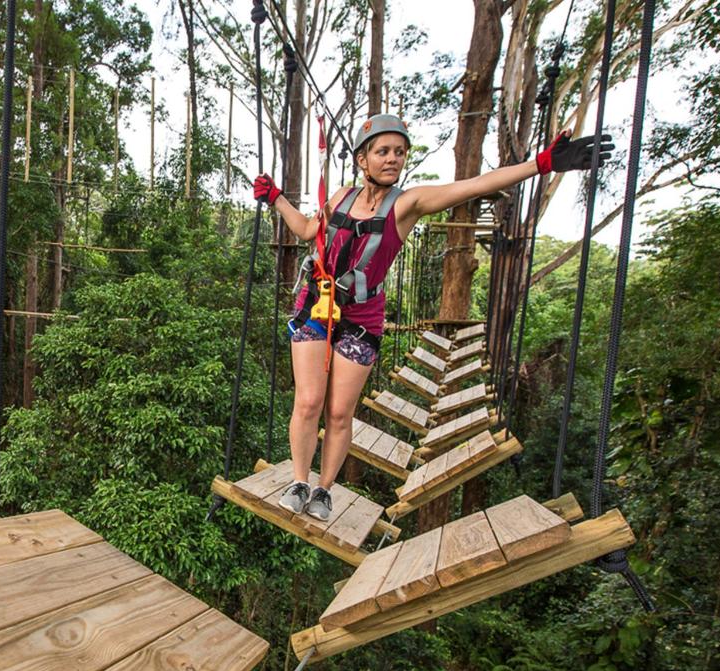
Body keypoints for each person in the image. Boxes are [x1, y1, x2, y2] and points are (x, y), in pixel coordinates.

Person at [253, 114, 611, 521]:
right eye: (383, 151)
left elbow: (472, 186)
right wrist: (277, 198)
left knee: (338, 412)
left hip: (362, 315)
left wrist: (541, 165)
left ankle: (323, 490)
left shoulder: (408, 204)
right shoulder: (340, 197)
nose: (392, 159)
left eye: (399, 153)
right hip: (316, 304)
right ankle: (300, 479)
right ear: (362, 158)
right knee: (309, 401)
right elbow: (305, 230)